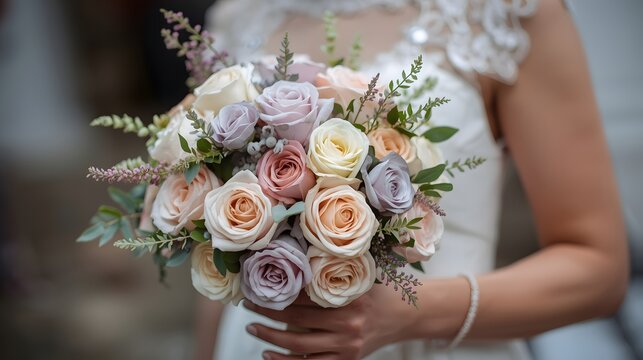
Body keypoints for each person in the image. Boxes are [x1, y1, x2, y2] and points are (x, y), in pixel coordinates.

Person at [196, 0, 629, 359]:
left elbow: (598, 268)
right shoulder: (239, 17)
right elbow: (217, 247)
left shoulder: (509, 13)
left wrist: (412, 314)